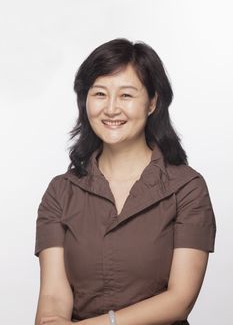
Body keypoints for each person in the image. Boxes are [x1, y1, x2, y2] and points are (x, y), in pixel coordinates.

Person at [34, 38, 217, 325]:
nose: (110, 109)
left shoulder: (187, 189)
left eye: (126, 96)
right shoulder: (60, 192)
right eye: (99, 94)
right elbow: (54, 297)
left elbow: (179, 301)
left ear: (152, 102)